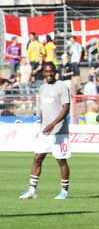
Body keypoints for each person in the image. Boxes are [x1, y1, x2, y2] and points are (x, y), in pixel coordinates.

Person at [19, 62, 71, 200]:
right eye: (46, 72)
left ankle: (64, 191)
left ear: (55, 72)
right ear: (43, 73)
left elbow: (66, 108)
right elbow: (42, 109)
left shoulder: (62, 87)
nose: (49, 74)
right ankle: (32, 190)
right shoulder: (42, 88)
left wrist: (53, 124)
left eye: (51, 71)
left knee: (61, 160)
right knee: (37, 158)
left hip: (59, 131)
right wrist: (43, 125)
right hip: (45, 131)